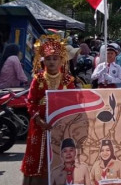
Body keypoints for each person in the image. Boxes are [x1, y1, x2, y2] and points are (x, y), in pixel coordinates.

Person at [21, 35, 75, 185]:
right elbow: (30, 101)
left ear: (61, 60)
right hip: (39, 126)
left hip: (60, 126)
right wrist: (38, 118)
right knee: (37, 155)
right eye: (48, 58)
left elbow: (73, 103)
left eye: (55, 58)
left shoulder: (68, 81)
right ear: (43, 59)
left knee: (60, 156)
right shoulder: (38, 79)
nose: (51, 62)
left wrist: (64, 120)